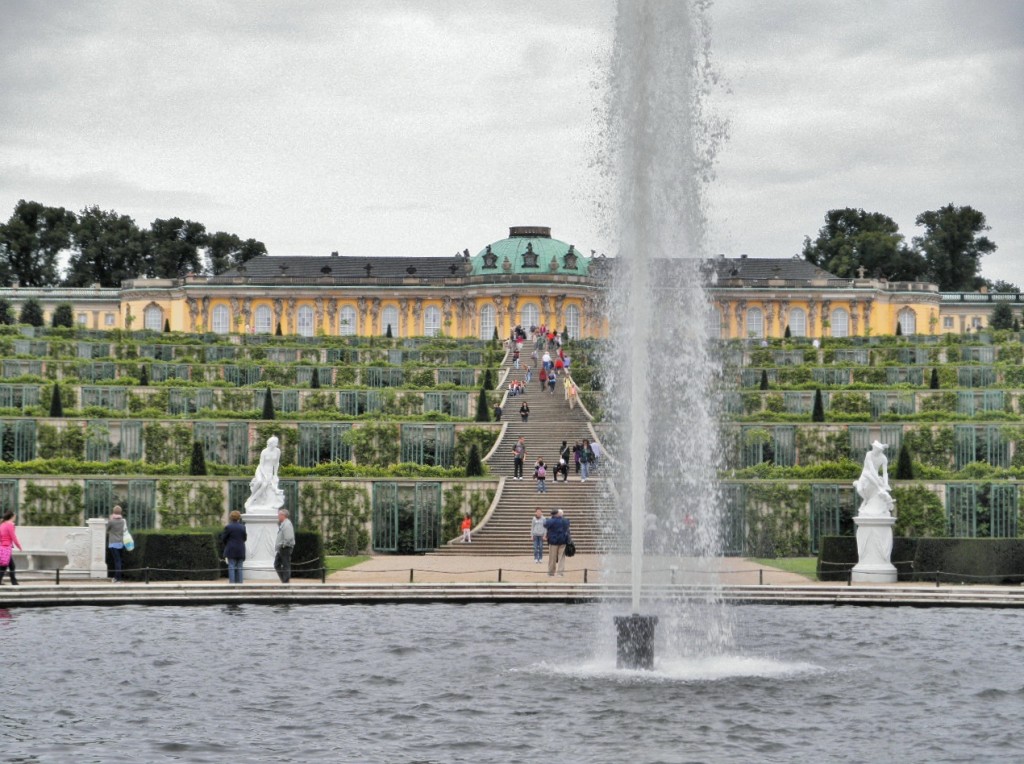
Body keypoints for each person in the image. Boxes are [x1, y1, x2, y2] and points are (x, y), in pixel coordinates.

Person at [854, 441, 894, 517]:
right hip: (865, 474)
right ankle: (866, 500)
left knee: (878, 483)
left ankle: (879, 490)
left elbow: (885, 472)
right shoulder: (868, 454)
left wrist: (885, 484)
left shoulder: (883, 458)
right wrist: (878, 480)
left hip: (874, 476)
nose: (874, 450)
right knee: (859, 489)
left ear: (880, 450)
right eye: (874, 448)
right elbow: (871, 469)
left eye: (877, 449)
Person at [246, 436, 285, 512]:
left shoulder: (277, 451)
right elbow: (261, 464)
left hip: (270, 471)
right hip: (261, 470)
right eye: (275, 442)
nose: (277, 444)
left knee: (264, 485)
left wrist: (275, 474)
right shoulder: (264, 451)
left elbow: (276, 463)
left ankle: (252, 499)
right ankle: (251, 497)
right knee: (260, 481)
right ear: (271, 443)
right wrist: (264, 475)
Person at [220, 510, 248, 584]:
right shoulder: (243, 527)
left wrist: (228, 544)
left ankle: (232, 583)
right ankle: (240, 583)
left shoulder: (228, 527)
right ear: (239, 518)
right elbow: (245, 538)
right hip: (240, 549)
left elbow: (223, 538)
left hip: (231, 549)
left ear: (231, 518)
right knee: (240, 567)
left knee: (231, 566)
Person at [544, 509, 570, 577]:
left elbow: (545, 525)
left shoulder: (550, 521)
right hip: (563, 540)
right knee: (561, 558)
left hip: (553, 541)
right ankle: (560, 573)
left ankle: (551, 572)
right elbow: (567, 526)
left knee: (552, 558)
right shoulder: (565, 521)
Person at [0, 510, 22, 586]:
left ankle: (14, 582)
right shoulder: (10, 525)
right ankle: (14, 582)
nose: (15, 517)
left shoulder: (2, 524)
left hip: (2, 547)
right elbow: (13, 537)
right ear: (12, 517)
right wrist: (19, 546)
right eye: (15, 516)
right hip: (7, 548)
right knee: (4, 566)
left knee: (10, 566)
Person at [274, 508, 296, 583]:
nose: (278, 516)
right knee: (277, 564)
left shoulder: (287, 524)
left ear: (283, 515)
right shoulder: (284, 524)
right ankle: (284, 580)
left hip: (285, 548)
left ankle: (285, 581)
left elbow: (289, 537)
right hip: (282, 548)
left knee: (285, 565)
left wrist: (283, 545)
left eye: (279, 515)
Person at [106, 505, 126, 583]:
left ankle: (118, 578)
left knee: (116, 561)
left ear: (113, 512)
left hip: (113, 543)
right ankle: (117, 577)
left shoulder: (111, 521)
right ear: (120, 512)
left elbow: (107, 529)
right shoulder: (123, 521)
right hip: (120, 543)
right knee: (119, 561)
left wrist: (110, 519)